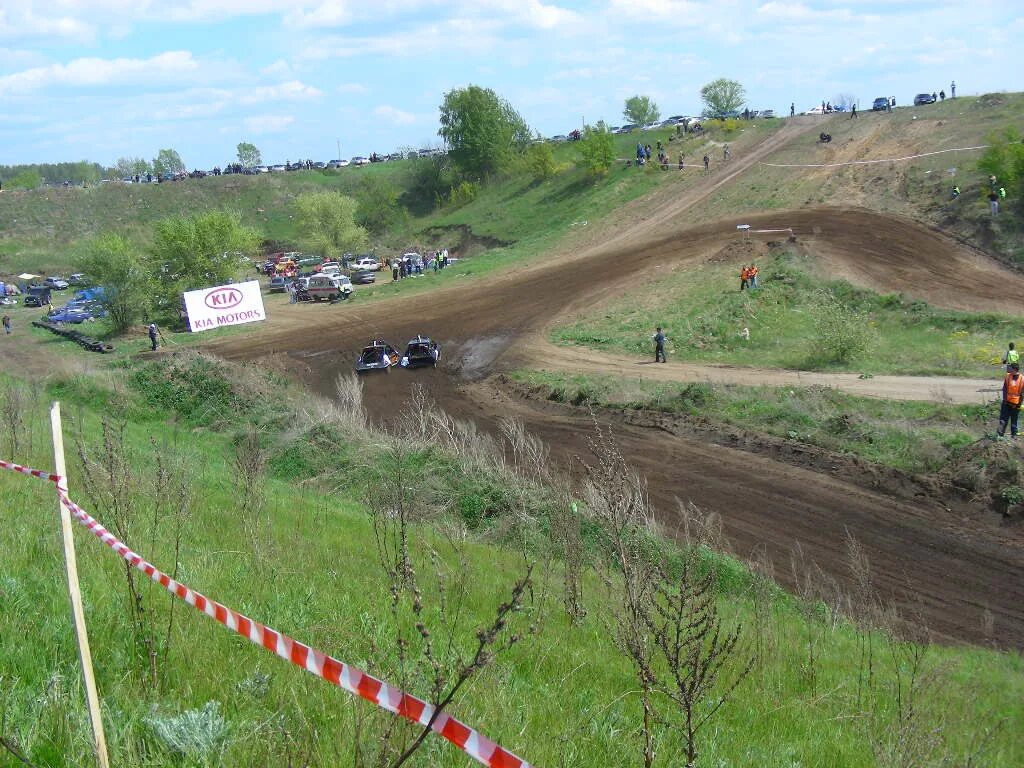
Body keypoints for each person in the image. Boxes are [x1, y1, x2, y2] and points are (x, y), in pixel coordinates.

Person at [998, 363, 1023, 438]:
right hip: (1006, 402)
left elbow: (1022, 393)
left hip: (1016, 403)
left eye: (1010, 368)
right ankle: (1000, 434)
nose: (1008, 369)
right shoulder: (1008, 376)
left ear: (1014, 369)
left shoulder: (1022, 379)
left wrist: (1019, 403)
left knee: (1014, 419)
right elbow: (1004, 389)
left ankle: (1014, 435)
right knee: (1003, 419)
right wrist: (1005, 399)